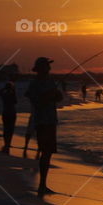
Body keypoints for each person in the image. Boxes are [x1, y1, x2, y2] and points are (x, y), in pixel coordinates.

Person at [24, 57, 63, 197]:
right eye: (47, 65)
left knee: (48, 153)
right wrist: (48, 95)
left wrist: (56, 95)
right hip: (42, 121)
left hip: (51, 120)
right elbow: (36, 101)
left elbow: (58, 98)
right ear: (41, 68)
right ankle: (41, 185)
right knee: (45, 152)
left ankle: (43, 184)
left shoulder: (50, 81)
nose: (49, 68)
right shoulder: (34, 84)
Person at [0, 81, 17, 153]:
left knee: (6, 128)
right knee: (10, 129)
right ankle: (8, 143)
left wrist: (4, 89)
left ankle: (6, 143)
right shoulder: (11, 95)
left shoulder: (4, 95)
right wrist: (13, 90)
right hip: (11, 113)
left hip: (6, 113)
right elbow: (15, 101)